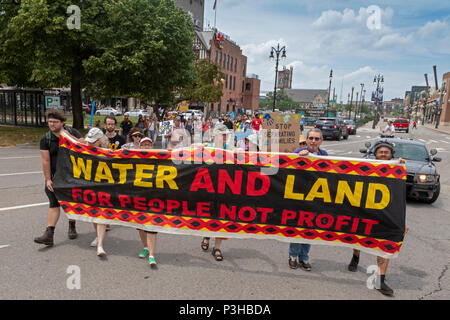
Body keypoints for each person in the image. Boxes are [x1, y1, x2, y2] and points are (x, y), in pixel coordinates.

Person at [347, 140, 408, 297]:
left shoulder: (396, 171)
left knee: (385, 243)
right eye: (380, 152)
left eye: (386, 153)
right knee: (359, 237)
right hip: (364, 210)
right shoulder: (366, 167)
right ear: (375, 154)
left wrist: (402, 221)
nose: (383, 155)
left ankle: (380, 280)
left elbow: (399, 199)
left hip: (385, 214)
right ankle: (355, 256)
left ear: (391, 155)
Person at [34, 110, 83, 246]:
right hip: (56, 176)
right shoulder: (46, 139)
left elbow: (83, 146)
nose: (52, 124)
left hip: (73, 176)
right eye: (50, 122)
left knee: (71, 202)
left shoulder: (72, 132)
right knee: (53, 202)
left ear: (62, 123)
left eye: (55, 122)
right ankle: (49, 234)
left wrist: (67, 137)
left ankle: (72, 225)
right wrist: (48, 179)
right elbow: (46, 160)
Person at [288, 129, 328, 271]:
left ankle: (304, 257)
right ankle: (293, 256)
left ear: (321, 141)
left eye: (316, 139)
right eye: (311, 138)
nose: (313, 141)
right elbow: (287, 167)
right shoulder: (298, 152)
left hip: (316, 198)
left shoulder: (325, 155)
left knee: (310, 229)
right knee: (298, 227)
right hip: (299, 196)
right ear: (306, 140)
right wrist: (298, 157)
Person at [201, 124, 232, 261]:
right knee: (209, 214)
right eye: (221, 134)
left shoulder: (232, 150)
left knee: (223, 216)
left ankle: (217, 247)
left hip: (227, 188)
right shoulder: (207, 148)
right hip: (209, 188)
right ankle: (206, 236)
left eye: (225, 134)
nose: (224, 137)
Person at [82, 128, 110, 257]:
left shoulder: (108, 153)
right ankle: (98, 237)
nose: (89, 144)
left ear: (100, 141)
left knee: (101, 216)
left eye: (93, 141)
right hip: (89, 187)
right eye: (89, 141)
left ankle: (100, 245)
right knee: (94, 215)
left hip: (104, 188)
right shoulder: (83, 150)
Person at [134, 137, 158, 267]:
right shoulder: (134, 157)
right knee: (141, 226)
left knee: (152, 226)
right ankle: (146, 247)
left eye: (149, 144)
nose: (146, 147)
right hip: (139, 197)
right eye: (144, 145)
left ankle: (152, 255)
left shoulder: (161, 157)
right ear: (140, 147)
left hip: (154, 197)